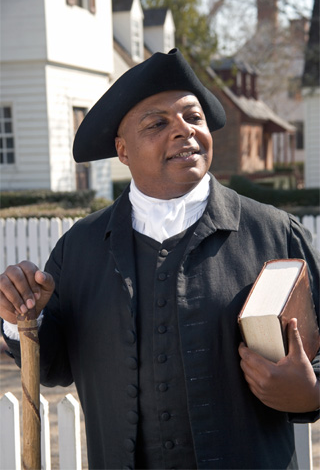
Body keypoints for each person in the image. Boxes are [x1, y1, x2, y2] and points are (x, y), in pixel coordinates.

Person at [1, 48, 319, 470]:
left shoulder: (276, 234)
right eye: (157, 123)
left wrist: (311, 393)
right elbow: (52, 367)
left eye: (194, 117)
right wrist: (18, 318)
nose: (183, 130)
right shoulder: (79, 248)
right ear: (123, 150)